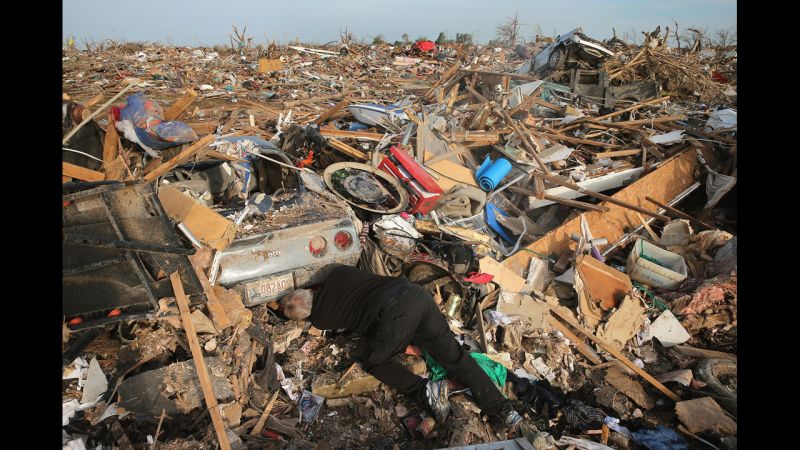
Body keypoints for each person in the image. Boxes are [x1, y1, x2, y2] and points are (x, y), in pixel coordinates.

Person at [280, 264, 522, 428]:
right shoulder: (338, 273)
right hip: (417, 296)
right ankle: (504, 410)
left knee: (376, 361)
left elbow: (361, 329)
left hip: (395, 315)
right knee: (457, 357)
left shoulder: (321, 318)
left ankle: (425, 391)